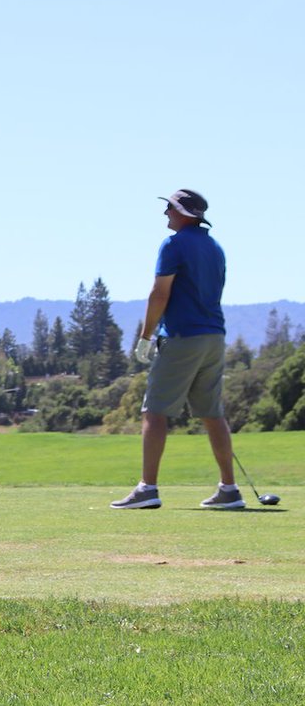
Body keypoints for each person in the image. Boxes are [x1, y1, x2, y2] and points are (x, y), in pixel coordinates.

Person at [112, 190, 242, 510]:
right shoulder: (215, 247)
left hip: (182, 337)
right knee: (212, 414)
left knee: (154, 411)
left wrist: (146, 336)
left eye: (170, 208)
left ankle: (148, 489)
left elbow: (160, 294)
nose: (166, 214)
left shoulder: (173, 244)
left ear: (184, 213)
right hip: (214, 337)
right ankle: (229, 489)